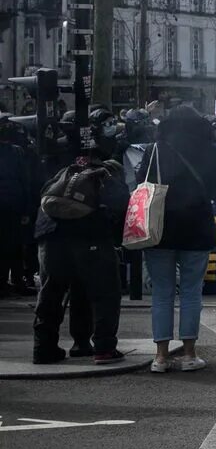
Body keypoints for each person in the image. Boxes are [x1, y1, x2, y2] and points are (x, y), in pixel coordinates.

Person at [143, 105, 216, 373]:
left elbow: (140, 184)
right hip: (197, 229)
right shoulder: (208, 151)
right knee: (191, 292)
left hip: (159, 230)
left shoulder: (154, 150)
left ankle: (160, 356)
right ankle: (189, 354)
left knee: (162, 293)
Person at [31, 134, 129, 364]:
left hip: (51, 237)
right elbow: (121, 205)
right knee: (105, 293)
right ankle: (104, 348)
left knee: (51, 293)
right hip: (90, 237)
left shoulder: (63, 172)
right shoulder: (106, 173)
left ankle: (43, 348)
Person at [0, 119, 37, 296]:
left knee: (11, 245)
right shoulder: (17, 152)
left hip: (11, 205)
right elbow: (25, 182)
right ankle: (16, 279)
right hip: (14, 204)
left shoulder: (16, 152)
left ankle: (8, 281)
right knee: (15, 245)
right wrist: (26, 209)